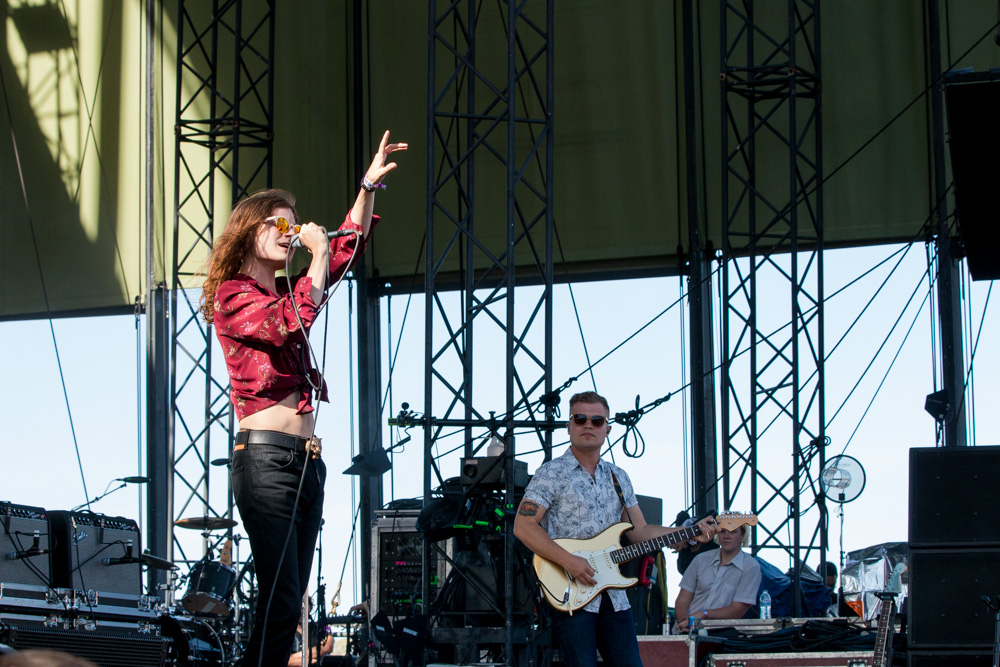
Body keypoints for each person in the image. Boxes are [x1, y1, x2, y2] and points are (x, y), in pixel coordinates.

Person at [201, 131, 406, 666]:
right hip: (266, 460)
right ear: (250, 230)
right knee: (281, 597)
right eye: (281, 223)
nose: (291, 233)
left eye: (295, 223)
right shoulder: (232, 297)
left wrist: (367, 187)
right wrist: (314, 256)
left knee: (291, 605)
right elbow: (289, 322)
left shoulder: (285, 289)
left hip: (305, 462)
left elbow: (344, 249)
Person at [513, 391, 718, 667]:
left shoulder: (618, 476)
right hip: (571, 591)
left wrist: (690, 531)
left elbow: (640, 532)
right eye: (580, 418)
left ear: (607, 429)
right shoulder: (551, 473)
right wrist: (570, 562)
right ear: (569, 426)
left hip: (614, 597)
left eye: (597, 420)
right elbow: (524, 526)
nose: (588, 425)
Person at [673, 522, 762, 633]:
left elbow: (737, 610)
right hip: (685, 632)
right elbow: (682, 600)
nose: (726, 536)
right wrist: (685, 625)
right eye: (723, 531)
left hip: (720, 634)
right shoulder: (700, 559)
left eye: (733, 531)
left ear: (742, 536)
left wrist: (704, 613)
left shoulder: (750, 566)